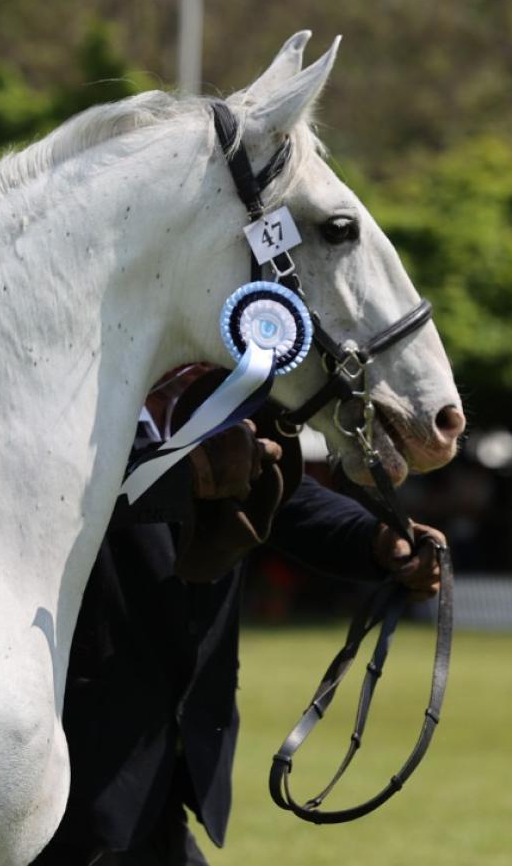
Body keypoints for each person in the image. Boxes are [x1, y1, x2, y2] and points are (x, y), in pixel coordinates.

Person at [33, 366, 445, 866]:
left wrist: (375, 541)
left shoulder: (212, 415)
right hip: (68, 764)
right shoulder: (68, 411)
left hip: (165, 764)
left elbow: (289, 499)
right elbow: (69, 489)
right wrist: (186, 473)